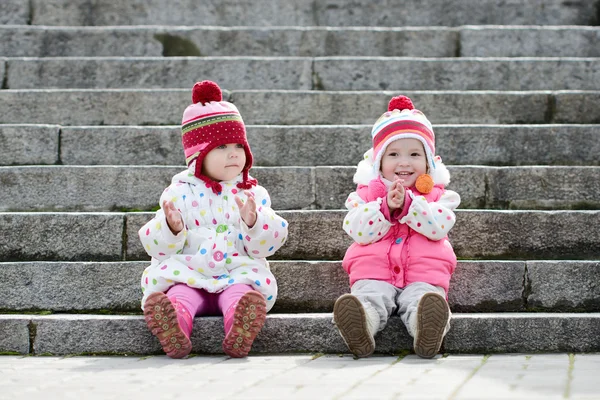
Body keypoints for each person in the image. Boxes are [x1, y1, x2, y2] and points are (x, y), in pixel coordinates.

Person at [138, 80, 288, 358]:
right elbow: (154, 245)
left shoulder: (252, 193)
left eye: (238, 146)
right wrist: (170, 228)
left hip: (235, 273)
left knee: (241, 294)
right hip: (188, 273)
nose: (233, 153)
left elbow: (267, 246)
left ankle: (239, 328)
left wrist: (254, 222)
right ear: (198, 156)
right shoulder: (179, 192)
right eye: (221, 147)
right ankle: (174, 327)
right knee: (179, 296)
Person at [333, 95, 460, 359]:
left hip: (424, 275)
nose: (404, 162)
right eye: (393, 154)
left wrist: (410, 206)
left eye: (414, 154)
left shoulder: (439, 197)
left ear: (428, 163)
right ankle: (361, 323)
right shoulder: (365, 196)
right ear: (379, 163)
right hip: (374, 272)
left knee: (423, 299)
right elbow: (356, 229)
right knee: (369, 297)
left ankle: (426, 328)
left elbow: (439, 227)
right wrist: (384, 209)